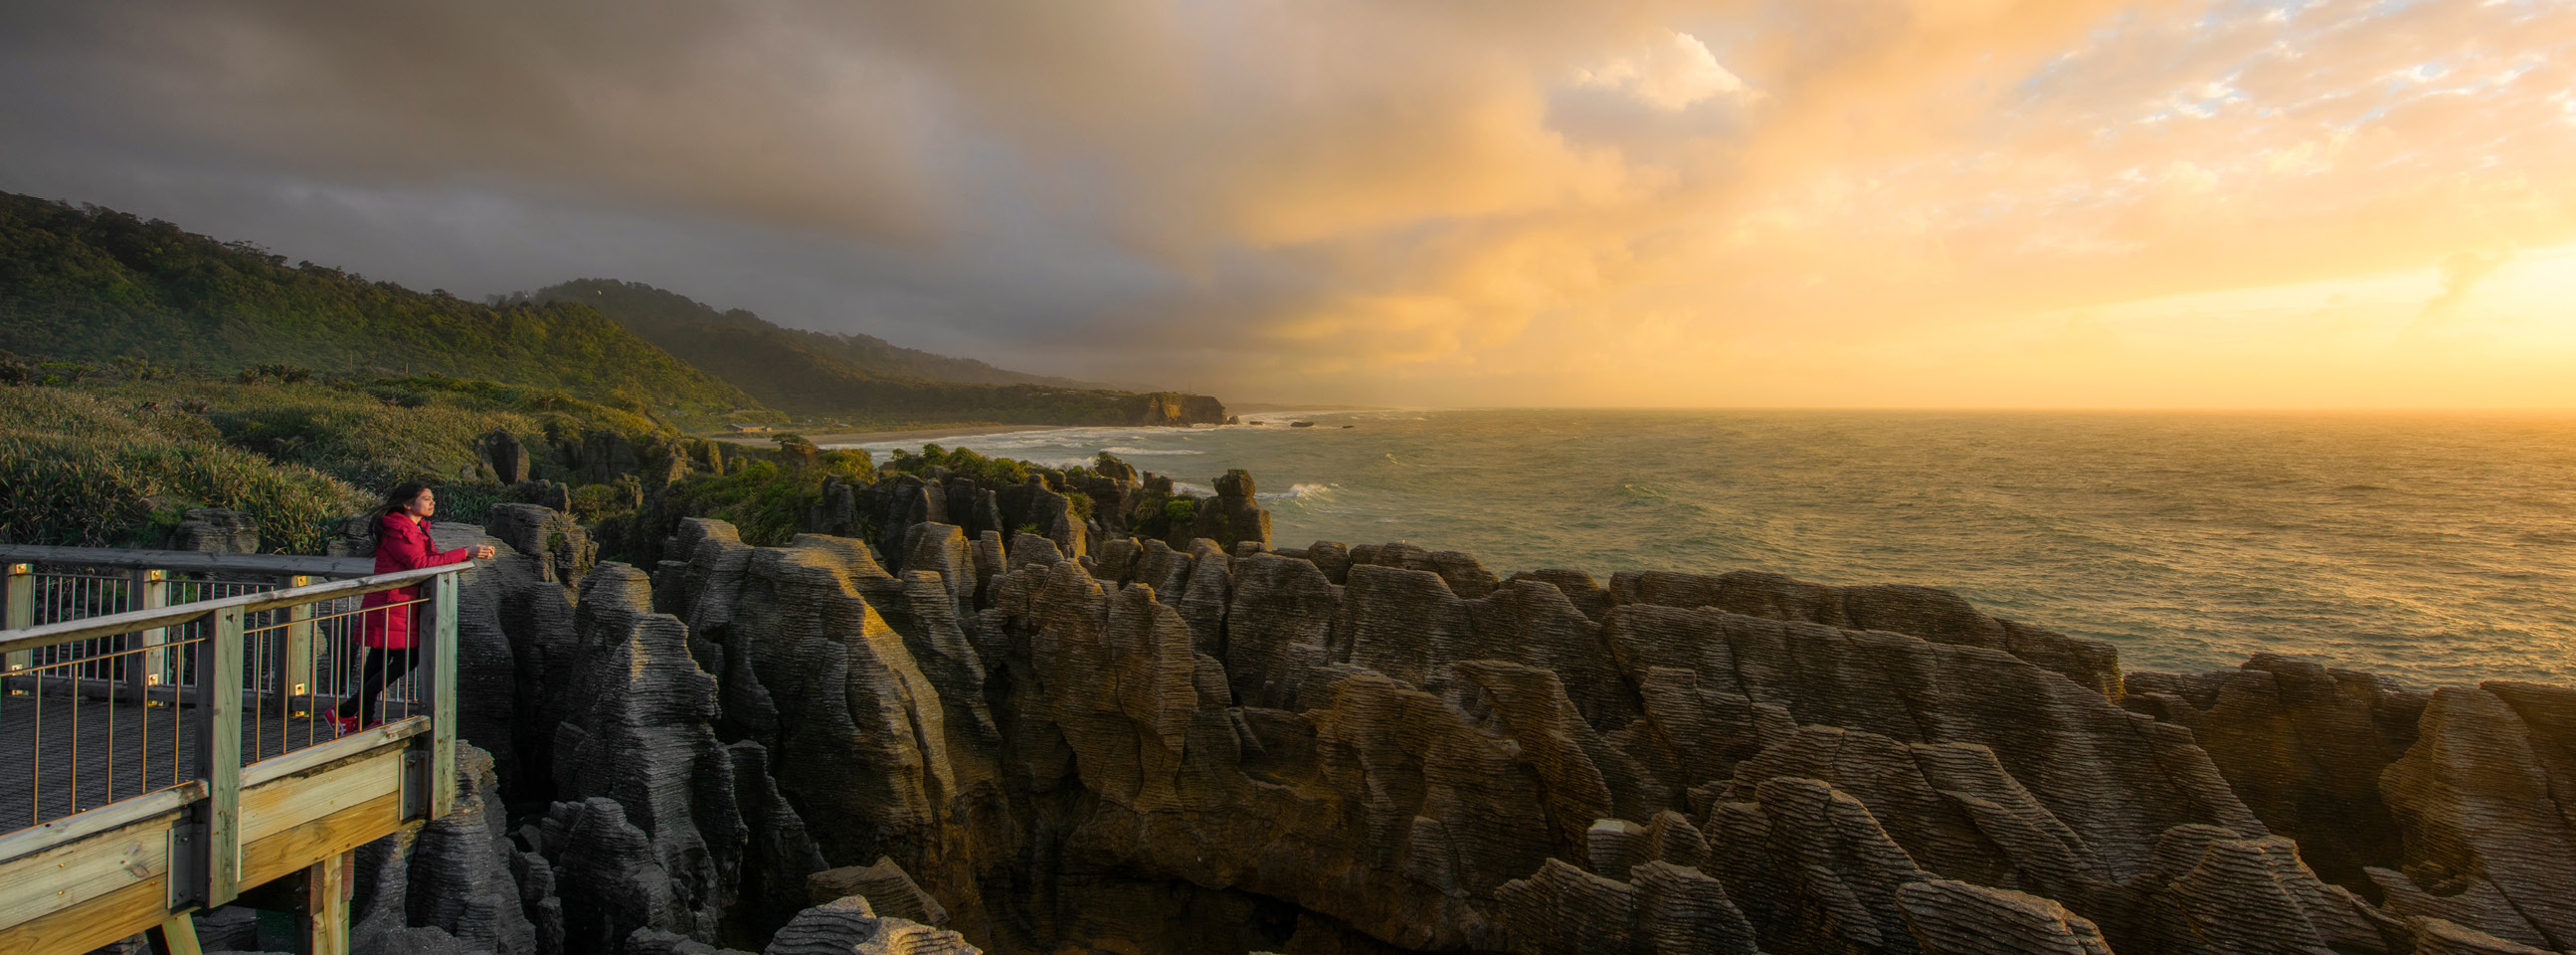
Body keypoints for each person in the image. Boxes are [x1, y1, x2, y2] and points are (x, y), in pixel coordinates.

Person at [329, 480, 494, 735]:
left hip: (396, 602)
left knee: (378, 660)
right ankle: (346, 712)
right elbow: (420, 563)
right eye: (426, 498)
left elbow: (425, 561)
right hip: (392, 602)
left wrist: (465, 554)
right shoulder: (398, 528)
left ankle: (359, 719)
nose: (432, 502)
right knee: (409, 657)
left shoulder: (412, 528)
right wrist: (466, 552)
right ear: (408, 504)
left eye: (432, 498)